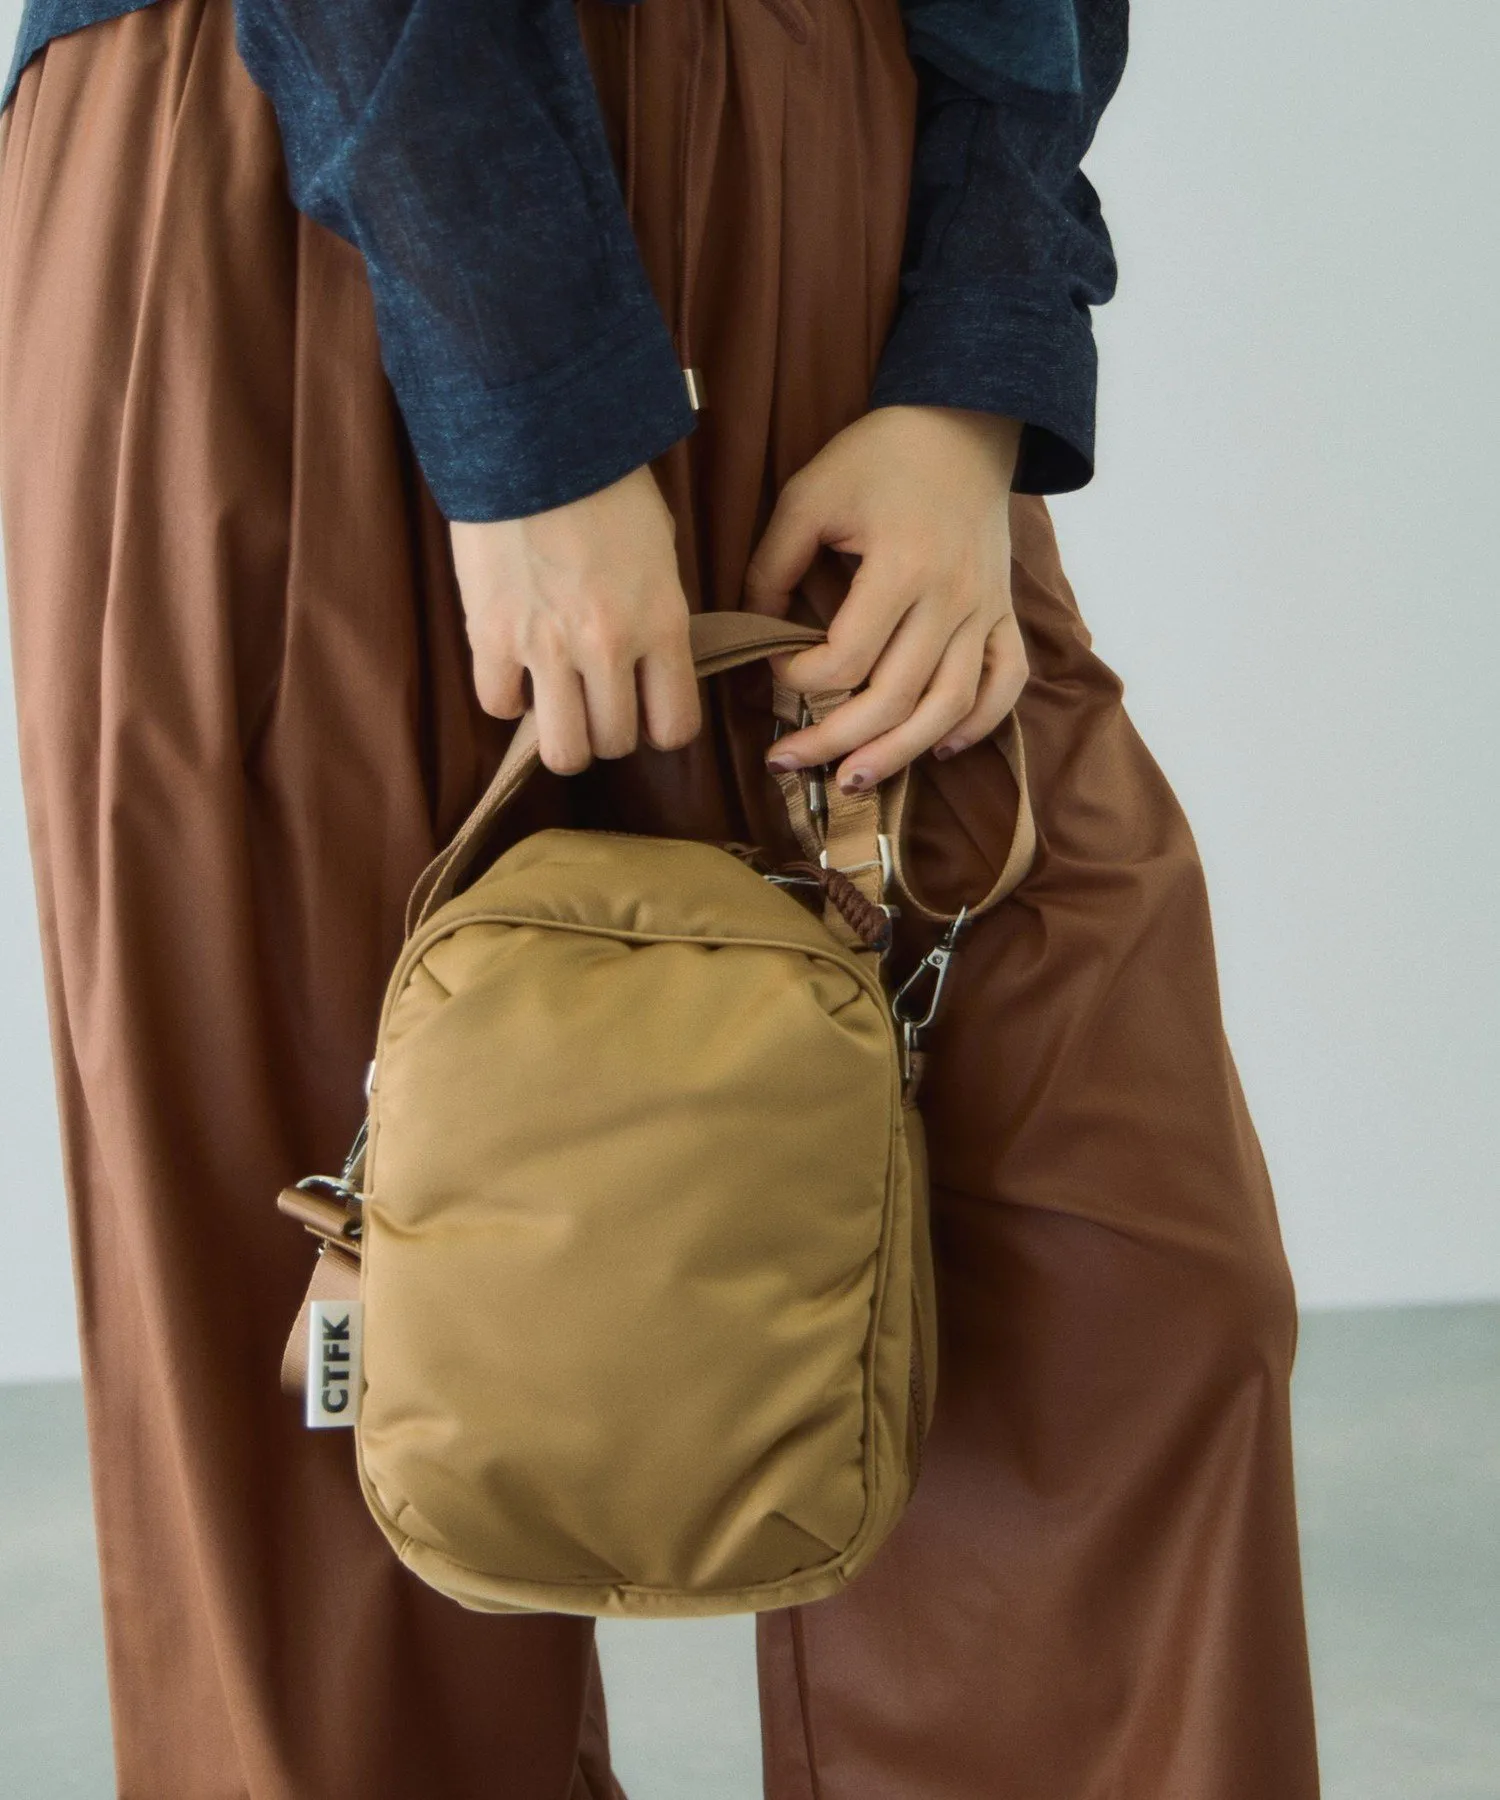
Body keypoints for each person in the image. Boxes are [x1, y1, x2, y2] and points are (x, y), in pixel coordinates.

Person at [0, 0, 1322, 1795]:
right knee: (352, 1374)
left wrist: (978, 356)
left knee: (1118, 1299)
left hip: (849, 167)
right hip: (306, 166)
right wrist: (520, 385)